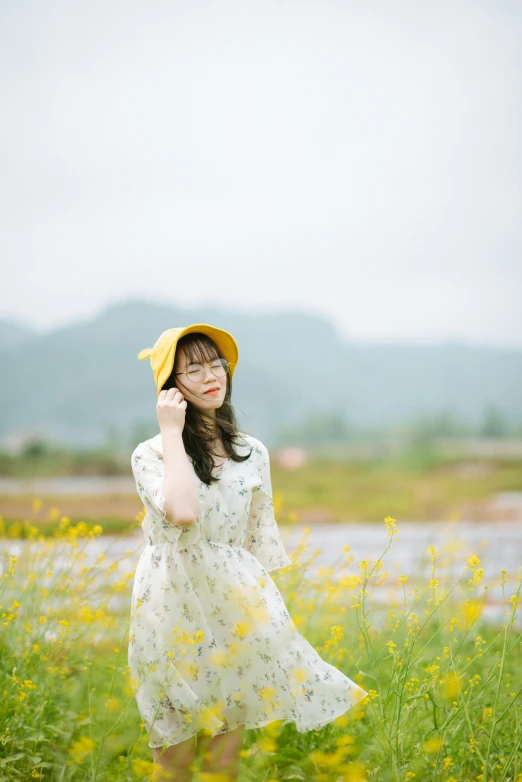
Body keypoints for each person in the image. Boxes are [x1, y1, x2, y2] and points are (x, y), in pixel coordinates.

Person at [128, 323, 368, 781]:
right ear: (169, 387)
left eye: (216, 364)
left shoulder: (250, 451)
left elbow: (255, 540)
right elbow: (180, 512)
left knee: (224, 756)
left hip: (231, 601)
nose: (210, 375)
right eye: (192, 369)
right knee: (172, 750)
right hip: (169, 601)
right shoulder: (151, 453)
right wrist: (172, 431)